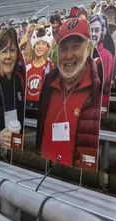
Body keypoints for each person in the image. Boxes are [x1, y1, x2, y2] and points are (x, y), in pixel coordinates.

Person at [36, 18, 102, 169]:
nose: (69, 55)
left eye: (76, 47)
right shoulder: (48, 85)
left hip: (76, 182)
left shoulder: (98, 89)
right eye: (64, 48)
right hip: (43, 175)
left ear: (89, 48)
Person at [26, 26, 54, 117]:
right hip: (27, 109)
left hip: (43, 110)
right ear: (33, 46)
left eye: (43, 43)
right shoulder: (27, 67)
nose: (40, 47)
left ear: (47, 47)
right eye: (38, 43)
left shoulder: (50, 67)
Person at [89, 14, 114, 111]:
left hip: (100, 100)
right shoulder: (84, 51)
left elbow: (106, 84)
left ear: (102, 32)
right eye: (91, 30)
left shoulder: (107, 55)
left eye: (97, 30)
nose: (93, 34)